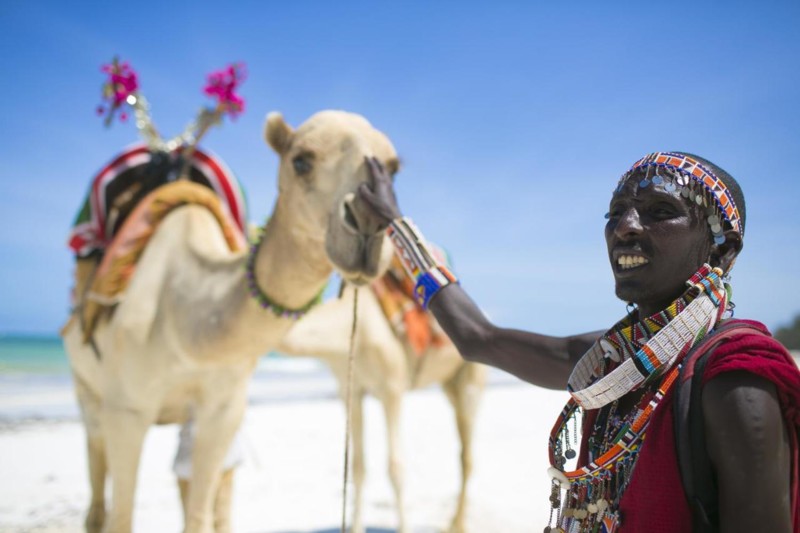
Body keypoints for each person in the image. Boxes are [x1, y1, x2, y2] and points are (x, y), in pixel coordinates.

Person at [357, 152, 800, 533]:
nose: (624, 226)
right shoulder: (611, 360)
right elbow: (479, 339)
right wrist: (397, 227)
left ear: (723, 250)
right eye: (615, 212)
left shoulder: (735, 382)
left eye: (660, 211)